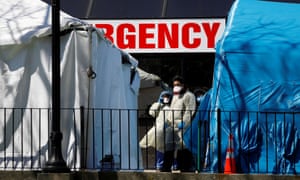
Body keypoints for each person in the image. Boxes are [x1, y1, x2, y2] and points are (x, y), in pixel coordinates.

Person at [164, 75, 196, 172]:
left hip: (182, 125)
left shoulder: (189, 95)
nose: (176, 86)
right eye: (174, 85)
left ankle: (185, 167)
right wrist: (167, 120)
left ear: (183, 85)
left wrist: (184, 122)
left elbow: (190, 110)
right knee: (169, 146)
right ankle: (166, 167)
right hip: (171, 124)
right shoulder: (175, 96)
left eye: (178, 84)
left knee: (183, 147)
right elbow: (172, 109)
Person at [139, 90, 173, 171]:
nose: (166, 98)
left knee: (170, 149)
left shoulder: (173, 106)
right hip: (159, 130)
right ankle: (159, 165)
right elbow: (152, 113)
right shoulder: (159, 106)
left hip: (170, 130)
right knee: (160, 147)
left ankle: (172, 165)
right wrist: (158, 103)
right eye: (164, 96)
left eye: (167, 96)